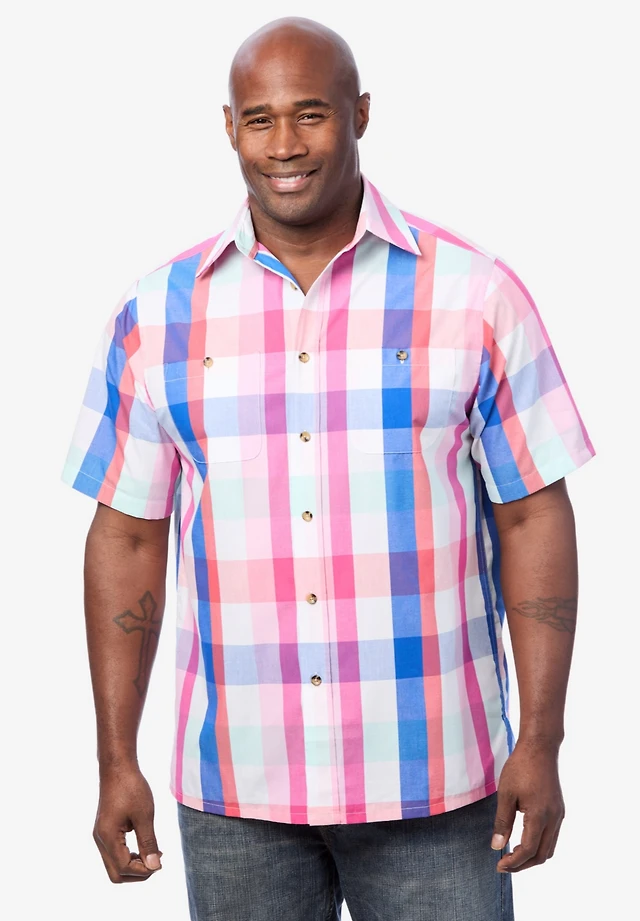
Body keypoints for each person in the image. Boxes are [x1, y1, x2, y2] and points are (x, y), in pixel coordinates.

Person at [61, 15, 596, 921]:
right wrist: (117, 759)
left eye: (310, 113)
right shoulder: (156, 315)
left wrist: (540, 740)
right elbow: (127, 536)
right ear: (229, 127)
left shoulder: (474, 294)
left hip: (438, 785)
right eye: (259, 118)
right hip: (236, 791)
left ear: (361, 114)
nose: (285, 144)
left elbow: (533, 515)